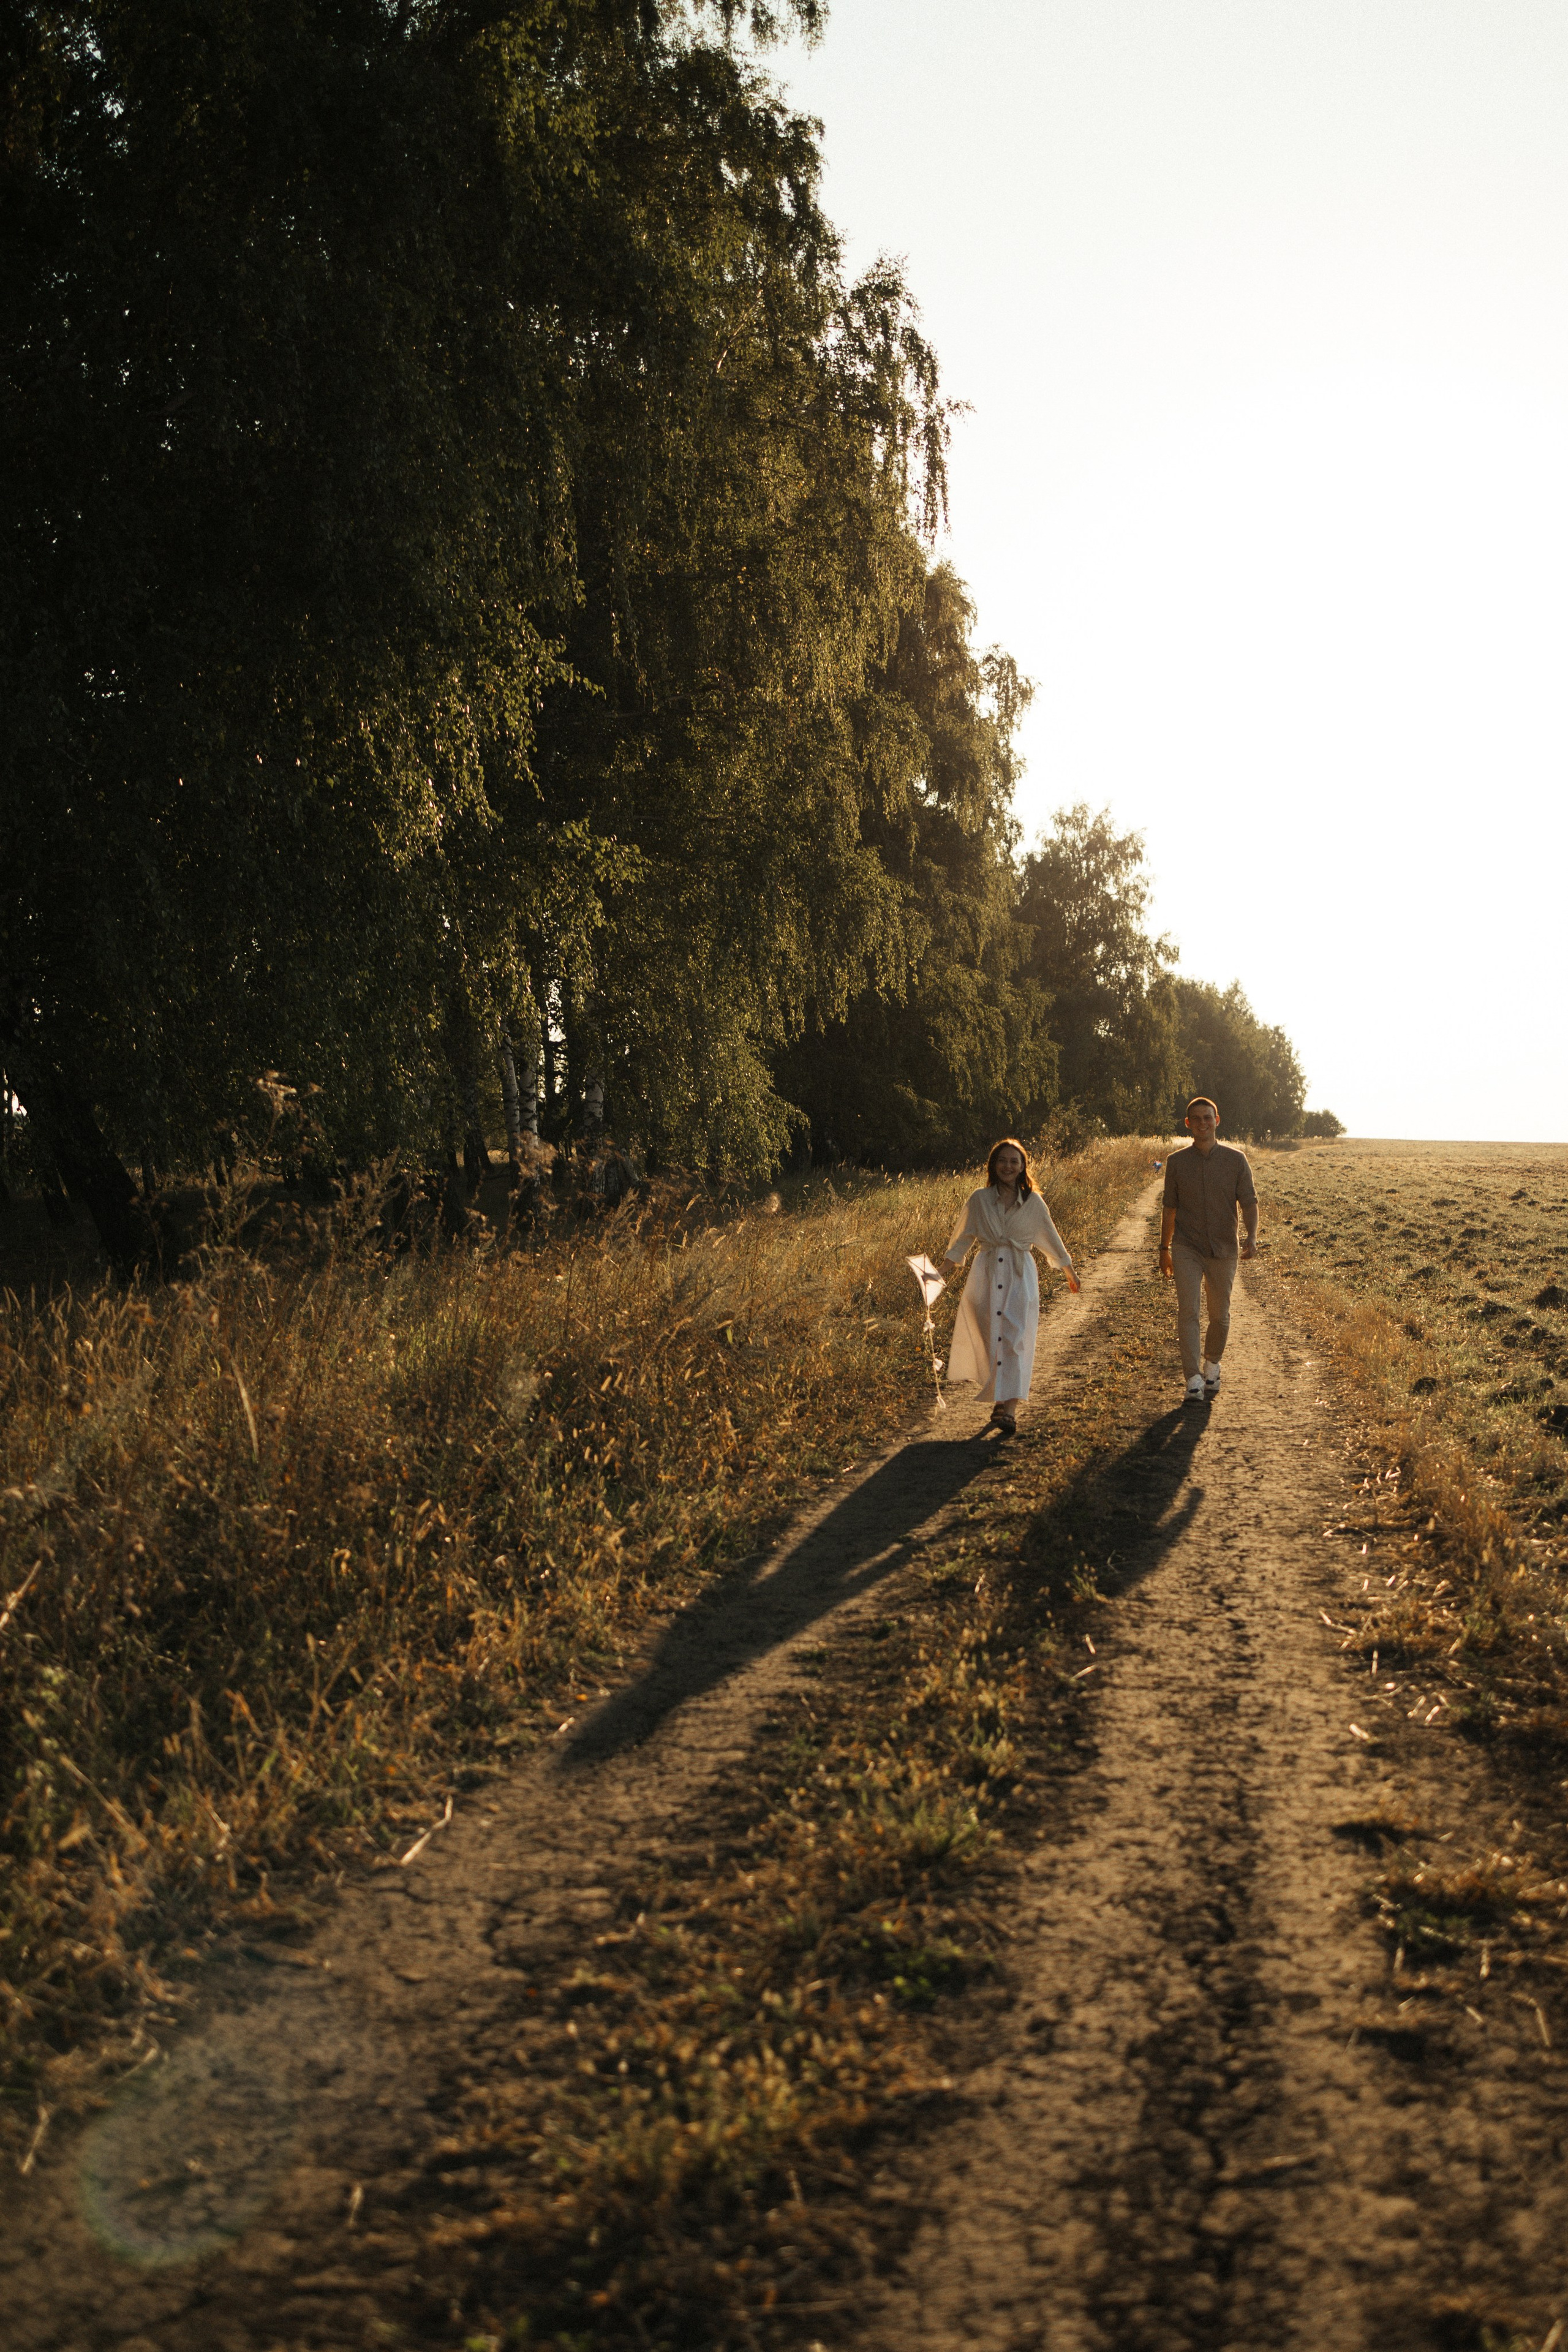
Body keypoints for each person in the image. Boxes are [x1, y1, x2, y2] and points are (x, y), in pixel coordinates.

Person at [941, 1138, 1080, 1436]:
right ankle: (1000, 1399)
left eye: (1014, 1162)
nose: (1008, 1166)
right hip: (986, 1274)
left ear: (1022, 1167)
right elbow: (961, 1240)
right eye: (1003, 1160)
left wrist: (1070, 1272)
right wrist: (939, 1273)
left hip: (1020, 1276)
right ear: (994, 1165)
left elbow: (1051, 1239)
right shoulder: (979, 1199)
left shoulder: (1033, 1202)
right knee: (992, 1337)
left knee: (1017, 1338)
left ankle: (1011, 1410)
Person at [1158, 1096, 1257, 1402]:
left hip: (1224, 1247)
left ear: (1217, 1120)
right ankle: (1193, 1378)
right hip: (1187, 1245)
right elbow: (1170, 1208)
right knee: (1188, 1311)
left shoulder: (1236, 1160)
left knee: (1220, 1314)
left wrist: (1252, 1238)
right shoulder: (1176, 1162)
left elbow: (1250, 1202)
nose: (1203, 1123)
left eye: (1208, 1118)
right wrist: (1164, 1248)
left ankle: (1212, 1362)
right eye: (1196, 1119)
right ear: (1188, 1124)